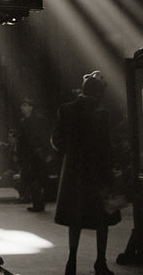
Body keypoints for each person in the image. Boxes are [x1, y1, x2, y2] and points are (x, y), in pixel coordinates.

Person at [51, 71, 121, 275]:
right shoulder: (102, 113)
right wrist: (110, 175)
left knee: (75, 219)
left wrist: (71, 153)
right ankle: (100, 263)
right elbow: (107, 147)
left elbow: (56, 141)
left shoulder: (66, 109)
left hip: (73, 171)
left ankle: (71, 263)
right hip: (97, 171)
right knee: (102, 219)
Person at [17, 97, 51, 212]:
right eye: (22, 105)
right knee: (33, 178)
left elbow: (43, 136)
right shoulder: (24, 121)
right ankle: (38, 202)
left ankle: (38, 202)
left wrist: (45, 151)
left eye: (25, 105)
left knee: (35, 178)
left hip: (35, 153)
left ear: (31, 107)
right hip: (30, 153)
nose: (23, 107)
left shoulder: (38, 120)